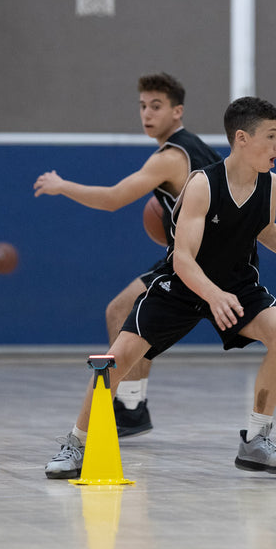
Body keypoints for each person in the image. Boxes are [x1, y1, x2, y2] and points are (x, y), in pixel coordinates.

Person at [44, 96, 276, 479]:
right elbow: (183, 258)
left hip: (237, 285)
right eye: (272, 136)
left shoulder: (271, 185)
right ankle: (76, 444)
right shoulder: (202, 184)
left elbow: (265, 229)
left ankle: (257, 441)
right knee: (119, 357)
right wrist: (211, 294)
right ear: (242, 138)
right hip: (182, 285)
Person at [33, 72, 222, 438]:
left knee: (123, 312)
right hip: (213, 256)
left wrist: (62, 186)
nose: (147, 115)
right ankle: (133, 407)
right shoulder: (202, 149)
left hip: (197, 261)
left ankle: (132, 408)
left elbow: (112, 199)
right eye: (142, 106)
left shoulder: (169, 158)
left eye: (156, 106)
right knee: (129, 314)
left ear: (177, 112)